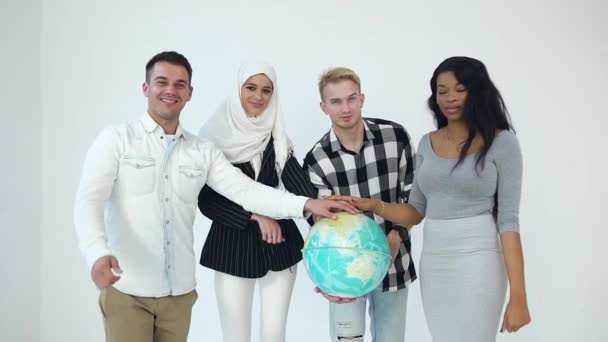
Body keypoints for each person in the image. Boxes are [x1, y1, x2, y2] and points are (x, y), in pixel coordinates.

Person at [73, 51, 357, 342]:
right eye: (161, 82)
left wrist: (311, 206)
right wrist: (97, 252)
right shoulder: (118, 139)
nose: (170, 90)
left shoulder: (201, 150)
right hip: (132, 285)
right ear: (146, 88)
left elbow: (247, 190)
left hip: (179, 294)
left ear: (189, 92)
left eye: (179, 84)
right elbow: (89, 201)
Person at [332, 56, 532, 342]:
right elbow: (416, 211)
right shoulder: (427, 142)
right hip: (436, 262)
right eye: (442, 90)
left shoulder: (502, 143)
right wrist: (374, 205)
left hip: (479, 259)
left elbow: (509, 222)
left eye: (460, 89)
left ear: (477, 92)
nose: (450, 97)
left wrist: (519, 296)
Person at [196, 62, 317, 342]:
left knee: (274, 335)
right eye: (251, 88)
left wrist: (321, 218)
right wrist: (255, 216)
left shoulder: (277, 138)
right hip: (231, 245)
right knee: (235, 336)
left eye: (267, 90)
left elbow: (300, 187)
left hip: (280, 246)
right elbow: (207, 200)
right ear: (238, 89)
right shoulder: (212, 136)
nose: (259, 97)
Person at [303, 67, 416, 342]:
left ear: (362, 99)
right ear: (323, 106)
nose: (345, 108)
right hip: (346, 274)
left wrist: (396, 236)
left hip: (394, 264)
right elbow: (320, 223)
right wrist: (325, 278)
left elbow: (414, 198)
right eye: (336, 101)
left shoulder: (396, 138)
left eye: (351, 99)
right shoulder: (316, 161)